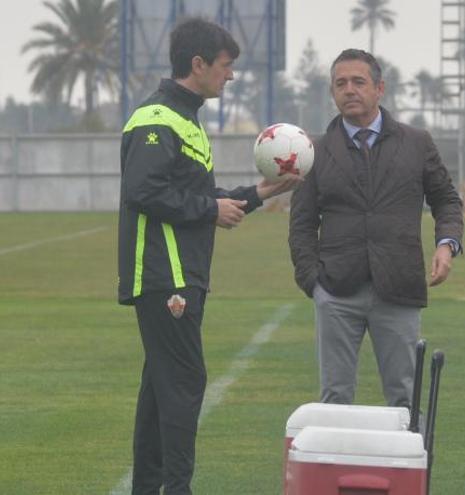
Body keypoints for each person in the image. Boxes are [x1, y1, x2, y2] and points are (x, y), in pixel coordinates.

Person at [117, 18, 298, 494]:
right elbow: (143, 190)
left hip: (183, 275)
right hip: (165, 276)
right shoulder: (156, 119)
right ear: (197, 64)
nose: (231, 75)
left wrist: (258, 193)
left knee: (161, 390)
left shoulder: (185, 119)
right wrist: (208, 208)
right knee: (183, 383)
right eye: (225, 65)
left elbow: (197, 196)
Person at [288, 49, 463, 408]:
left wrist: (447, 244)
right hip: (336, 292)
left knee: (404, 398)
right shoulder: (314, 152)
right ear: (332, 93)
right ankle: (336, 467)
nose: (349, 90)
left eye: (358, 82)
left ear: (379, 88)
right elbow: (302, 224)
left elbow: (446, 200)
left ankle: (406, 466)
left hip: (398, 287)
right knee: (335, 398)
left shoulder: (417, 143)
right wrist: (313, 282)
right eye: (341, 83)